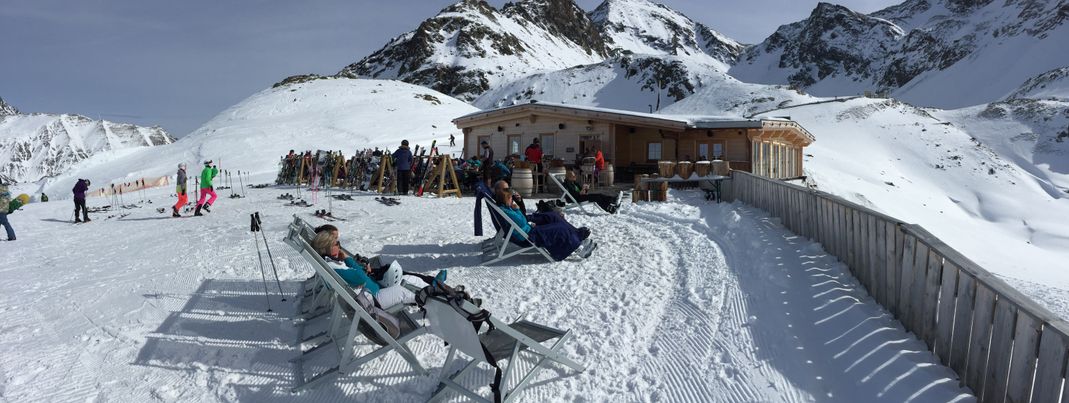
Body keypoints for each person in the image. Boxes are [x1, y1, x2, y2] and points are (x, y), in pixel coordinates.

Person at [311, 225, 414, 308]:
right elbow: (361, 277)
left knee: (404, 279)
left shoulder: (331, 263)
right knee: (403, 290)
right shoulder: (335, 268)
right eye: (336, 243)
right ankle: (423, 300)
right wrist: (347, 258)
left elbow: (359, 275)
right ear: (326, 248)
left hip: (372, 291)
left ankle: (421, 297)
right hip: (373, 298)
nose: (339, 245)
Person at [493, 180, 596, 260]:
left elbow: (521, 220)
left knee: (553, 216)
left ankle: (577, 237)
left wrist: (517, 207)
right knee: (559, 228)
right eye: (509, 196)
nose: (511, 196)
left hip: (527, 230)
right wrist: (517, 210)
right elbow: (521, 220)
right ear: (504, 198)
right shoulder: (507, 210)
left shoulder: (506, 207)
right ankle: (578, 248)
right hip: (528, 236)